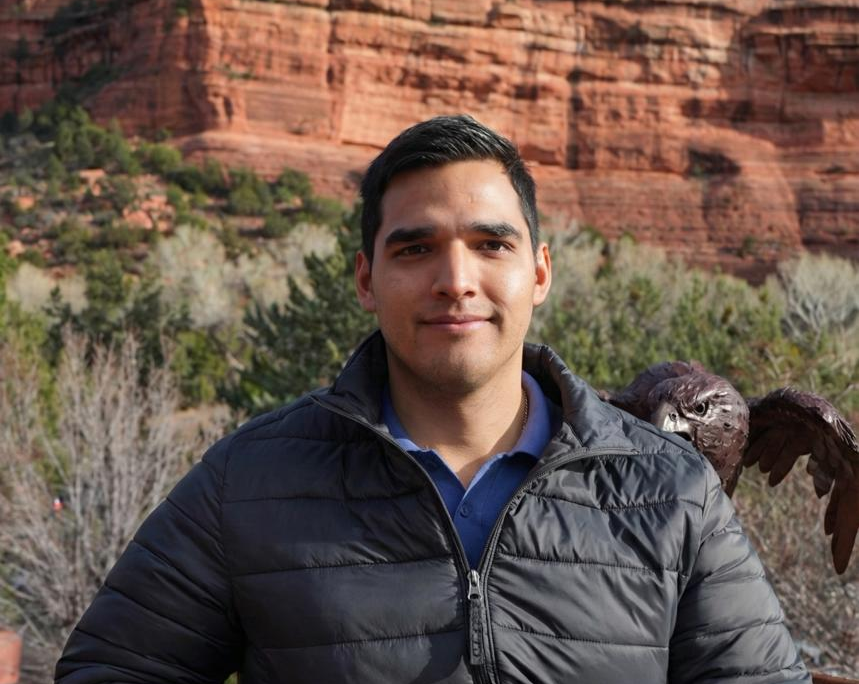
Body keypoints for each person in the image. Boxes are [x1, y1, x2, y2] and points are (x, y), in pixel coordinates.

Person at [56, 115, 810, 684]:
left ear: (539, 272)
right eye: (415, 248)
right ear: (364, 278)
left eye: (491, 244)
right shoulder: (248, 482)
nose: (455, 279)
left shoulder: (667, 489)